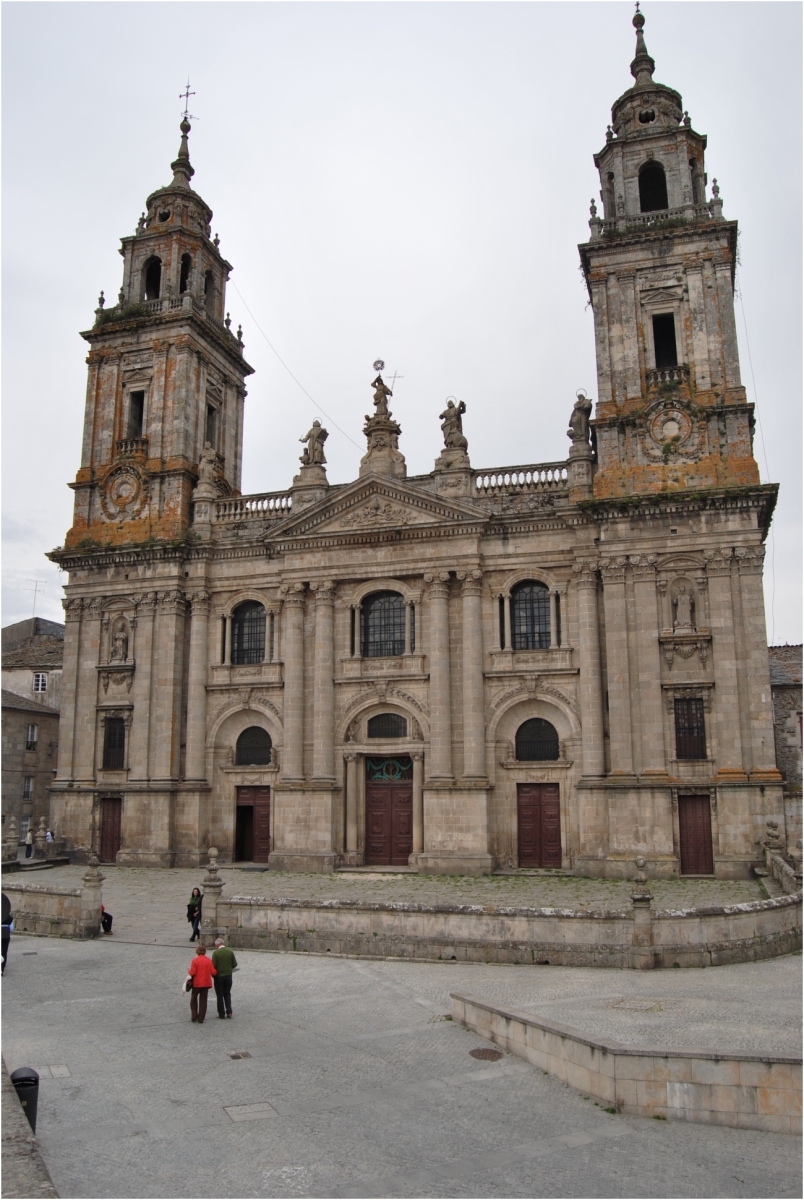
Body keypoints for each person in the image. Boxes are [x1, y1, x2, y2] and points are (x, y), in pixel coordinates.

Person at [188, 945, 216, 1023]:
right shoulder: (209, 961)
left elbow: (193, 972)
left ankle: (194, 1015)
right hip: (206, 983)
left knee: (193, 999)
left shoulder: (195, 961)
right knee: (203, 1001)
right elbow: (213, 972)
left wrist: (189, 971)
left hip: (196, 984)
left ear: (197, 952)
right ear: (204, 952)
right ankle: (201, 1018)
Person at [212, 937, 238, 1019]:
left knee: (219, 995)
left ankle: (221, 1013)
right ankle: (229, 1011)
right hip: (228, 976)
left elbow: (214, 966)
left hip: (219, 977)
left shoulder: (216, 953)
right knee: (227, 993)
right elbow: (234, 964)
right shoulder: (230, 951)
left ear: (217, 944)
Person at [2, 894, 13, 976]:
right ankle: (1, 968)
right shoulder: (9, 918)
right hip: (5, 934)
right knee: (3, 951)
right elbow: (11, 928)